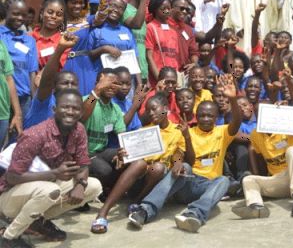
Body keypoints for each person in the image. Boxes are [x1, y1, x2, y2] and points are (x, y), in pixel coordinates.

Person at [128, 74, 241, 232]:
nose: (206, 119)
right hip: (186, 183)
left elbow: (236, 122)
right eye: (202, 115)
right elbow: (179, 154)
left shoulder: (222, 132)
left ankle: (194, 213)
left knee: (223, 180)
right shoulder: (187, 131)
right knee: (186, 167)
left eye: (210, 116)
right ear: (197, 116)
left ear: (216, 118)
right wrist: (180, 158)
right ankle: (145, 210)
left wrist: (233, 100)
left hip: (205, 187)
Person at [0, 88, 102, 248]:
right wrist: (54, 173)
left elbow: (83, 164)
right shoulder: (35, 135)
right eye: (65, 107)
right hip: (10, 197)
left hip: (45, 188)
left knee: (94, 186)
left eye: (75, 108)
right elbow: (12, 177)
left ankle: (36, 222)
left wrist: (81, 185)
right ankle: (9, 238)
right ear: (54, 109)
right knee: (49, 190)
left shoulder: (78, 130)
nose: (70, 112)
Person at [91, 92, 190, 234]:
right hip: (138, 180)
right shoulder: (143, 131)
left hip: (158, 181)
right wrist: (122, 156)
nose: (151, 113)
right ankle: (103, 212)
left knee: (157, 168)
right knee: (140, 164)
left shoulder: (177, 130)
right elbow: (129, 159)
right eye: (148, 110)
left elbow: (179, 153)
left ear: (165, 108)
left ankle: (138, 201)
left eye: (154, 108)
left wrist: (178, 162)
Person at [232, 74, 293, 219]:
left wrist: (287, 113)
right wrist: (258, 173)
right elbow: (252, 150)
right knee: (248, 179)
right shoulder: (256, 134)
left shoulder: (286, 124)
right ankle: (256, 207)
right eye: (259, 113)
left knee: (292, 150)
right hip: (279, 181)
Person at [82, 69, 127, 190]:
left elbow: (122, 135)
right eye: (108, 82)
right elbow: (81, 118)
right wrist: (97, 90)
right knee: (104, 170)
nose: (111, 86)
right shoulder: (87, 100)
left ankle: (106, 190)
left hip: (100, 151)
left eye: (115, 83)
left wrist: (122, 153)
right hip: (82, 153)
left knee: (127, 157)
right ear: (98, 82)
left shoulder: (116, 109)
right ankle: (86, 190)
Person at [0, 0, 38, 119]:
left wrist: (34, 101)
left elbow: (32, 73)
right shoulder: (1, 36)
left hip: (24, 100)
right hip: (4, 100)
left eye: (23, 15)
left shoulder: (29, 41)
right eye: (16, 14)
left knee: (23, 137)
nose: (20, 18)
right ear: (6, 12)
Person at [145, 0, 183, 87]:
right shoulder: (151, 27)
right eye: (163, 8)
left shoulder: (173, 30)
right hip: (158, 77)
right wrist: (159, 78)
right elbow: (149, 56)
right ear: (155, 9)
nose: (166, 11)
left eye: (168, 8)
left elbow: (176, 56)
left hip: (173, 78)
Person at [122, 0, 149, 82]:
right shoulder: (124, 8)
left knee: (141, 99)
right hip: (129, 72)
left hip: (142, 71)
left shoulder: (141, 13)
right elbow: (136, 24)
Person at [30, 0, 67, 70]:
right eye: (50, 12)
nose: (54, 16)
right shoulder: (28, 37)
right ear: (41, 13)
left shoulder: (64, 42)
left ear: (63, 19)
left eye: (59, 14)